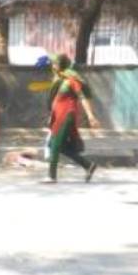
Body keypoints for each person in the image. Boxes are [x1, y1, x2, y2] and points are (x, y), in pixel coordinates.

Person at [45, 53, 98, 183]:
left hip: (67, 115)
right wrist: (51, 116)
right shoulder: (59, 80)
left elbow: (82, 97)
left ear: (61, 64)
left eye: (55, 63)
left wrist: (90, 115)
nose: (53, 66)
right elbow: (56, 100)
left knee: (55, 143)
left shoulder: (71, 80)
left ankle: (52, 176)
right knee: (55, 145)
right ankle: (88, 165)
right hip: (59, 116)